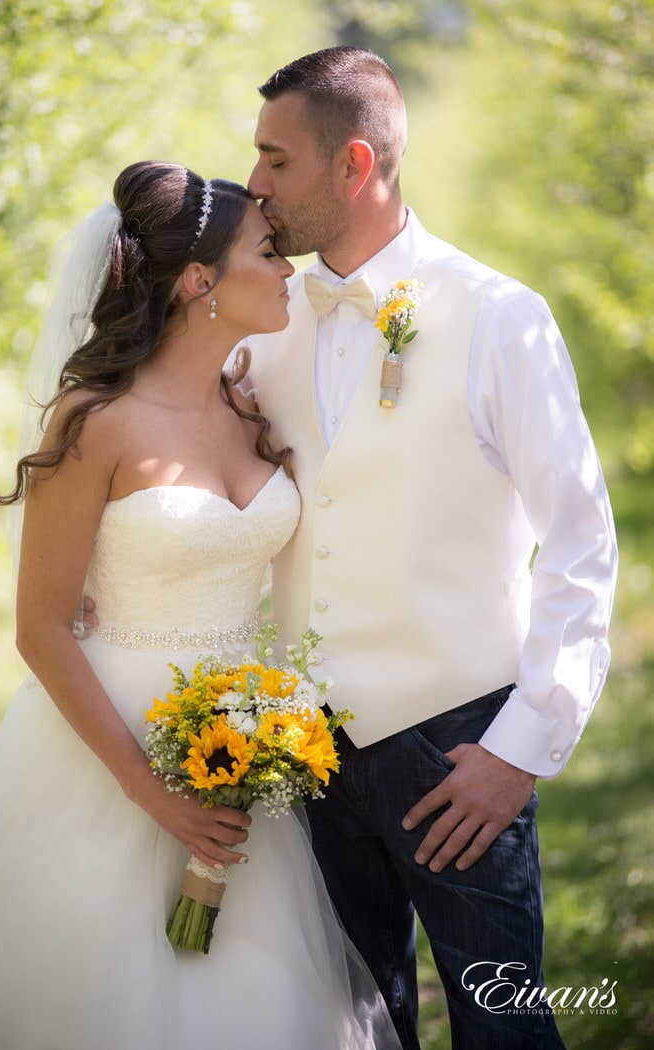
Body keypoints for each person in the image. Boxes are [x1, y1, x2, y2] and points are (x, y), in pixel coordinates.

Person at [0, 160, 402, 1050]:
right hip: (109, 752)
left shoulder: (252, 403)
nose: (287, 270)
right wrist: (149, 792)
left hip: (247, 746)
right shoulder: (96, 421)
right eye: (268, 253)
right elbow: (42, 628)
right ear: (199, 280)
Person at [238, 47, 618, 1050]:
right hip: (300, 759)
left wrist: (523, 748)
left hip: (458, 751)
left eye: (277, 160)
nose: (256, 185)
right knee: (351, 1031)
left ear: (354, 166)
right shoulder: (261, 320)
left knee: (504, 1033)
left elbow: (581, 542)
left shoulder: (501, 318)